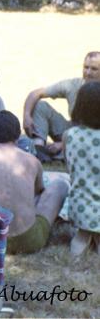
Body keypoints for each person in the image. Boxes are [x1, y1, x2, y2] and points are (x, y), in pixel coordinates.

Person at [0, 110, 69, 254]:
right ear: (18, 135)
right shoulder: (32, 161)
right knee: (60, 186)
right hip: (28, 240)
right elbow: (39, 193)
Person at [23, 51, 100, 162]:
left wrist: (63, 144)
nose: (88, 72)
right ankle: (39, 149)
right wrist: (27, 116)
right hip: (72, 131)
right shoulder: (72, 85)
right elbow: (36, 93)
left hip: (93, 138)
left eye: (94, 69)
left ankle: (63, 152)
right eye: (85, 67)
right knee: (40, 105)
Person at [64, 81, 100, 255]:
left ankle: (74, 260)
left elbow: (70, 168)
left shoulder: (69, 135)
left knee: (81, 237)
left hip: (80, 205)